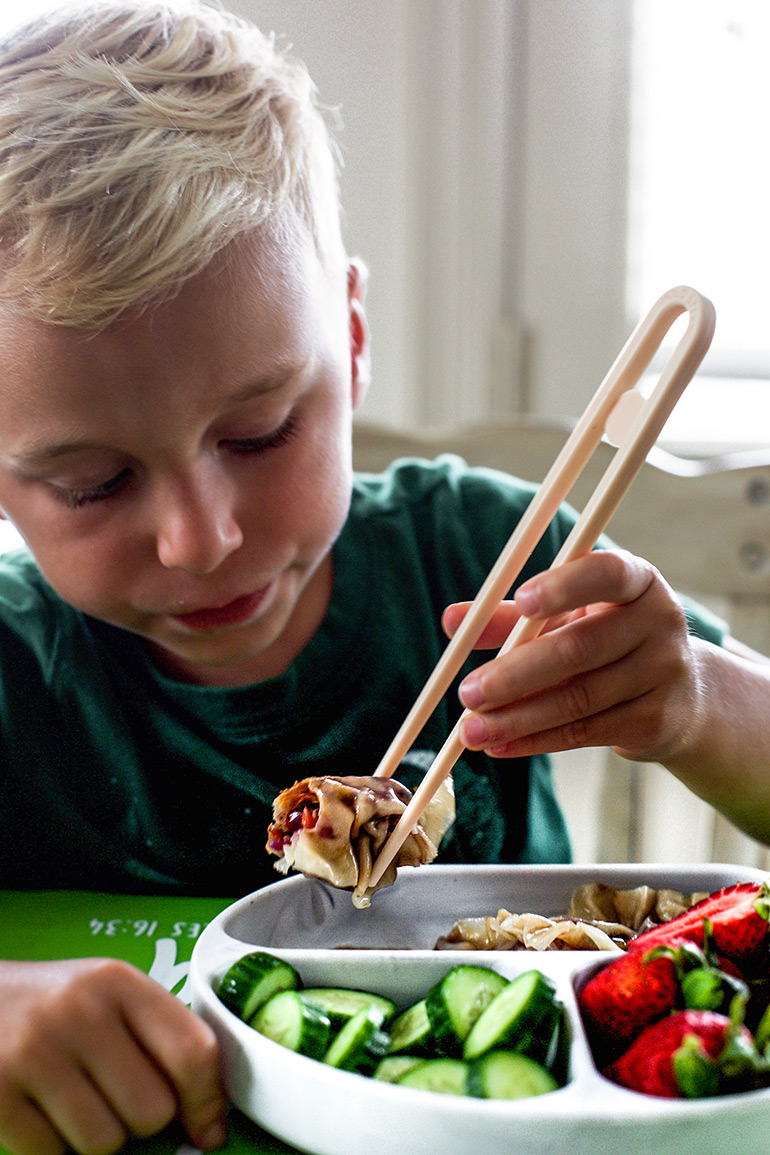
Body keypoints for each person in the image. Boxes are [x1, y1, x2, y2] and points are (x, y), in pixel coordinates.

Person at [0, 2, 768, 1153]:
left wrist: (694, 700)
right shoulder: (17, 668)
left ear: (350, 342)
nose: (201, 539)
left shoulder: (488, 560)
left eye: (258, 432)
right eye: (95, 481)